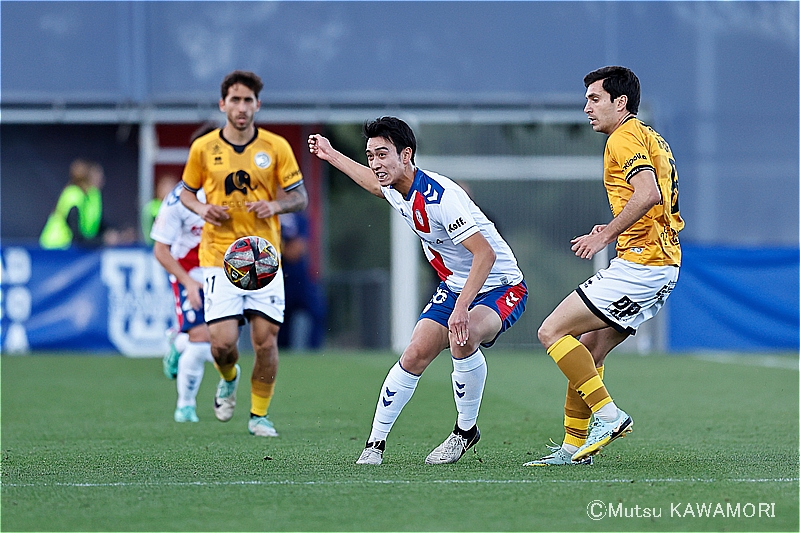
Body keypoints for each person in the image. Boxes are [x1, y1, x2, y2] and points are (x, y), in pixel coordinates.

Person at [308, 117, 527, 465]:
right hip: (456, 284)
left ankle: (464, 432)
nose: (375, 164)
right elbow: (374, 184)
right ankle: (374, 445)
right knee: (413, 355)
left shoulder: (442, 197)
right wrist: (332, 154)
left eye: (382, 154)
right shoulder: (395, 186)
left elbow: (484, 254)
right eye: (370, 155)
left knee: (463, 335)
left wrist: (461, 309)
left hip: (500, 285)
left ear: (406, 155)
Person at [526, 66, 683, 466]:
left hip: (642, 264)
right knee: (589, 349)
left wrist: (605, 234)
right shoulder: (650, 136)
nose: (587, 108)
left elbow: (646, 193)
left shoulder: (623, 137)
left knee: (551, 331)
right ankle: (573, 449)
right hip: (663, 265)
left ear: (620, 102)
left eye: (595, 99)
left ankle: (609, 416)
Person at [180, 70, 308, 437]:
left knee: (265, 340)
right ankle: (229, 377)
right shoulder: (203, 148)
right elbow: (187, 193)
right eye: (234, 100)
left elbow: (300, 197)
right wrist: (203, 209)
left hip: (265, 260)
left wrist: (275, 207)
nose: (241, 107)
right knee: (221, 344)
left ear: (257, 105)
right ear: (223, 104)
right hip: (219, 256)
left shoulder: (276, 147)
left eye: (247, 100)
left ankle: (259, 415)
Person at [151, 182, 214, 422]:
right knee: (201, 338)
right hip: (189, 272)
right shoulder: (178, 198)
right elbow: (161, 250)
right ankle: (185, 406)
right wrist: (187, 282)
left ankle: (178, 341)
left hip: (220, 271)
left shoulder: (235, 188)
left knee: (223, 345)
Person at [40, 159, 132, 248]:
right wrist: (103, 240)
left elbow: (98, 225)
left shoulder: (93, 195)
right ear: (87, 177)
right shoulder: (73, 195)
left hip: (72, 250)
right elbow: (77, 237)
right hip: (56, 248)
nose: (102, 178)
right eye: (98, 175)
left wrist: (118, 234)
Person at [277, 211, 326, 350]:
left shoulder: (298, 218)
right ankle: (282, 352)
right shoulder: (267, 217)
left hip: (300, 278)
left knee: (316, 311)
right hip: (279, 277)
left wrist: (280, 246)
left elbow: (297, 250)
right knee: (281, 319)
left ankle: (314, 351)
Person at [142, 173, 180, 246]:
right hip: (154, 246)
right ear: (159, 189)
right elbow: (149, 228)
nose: (168, 190)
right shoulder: (152, 206)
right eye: (165, 187)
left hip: (175, 247)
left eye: (171, 187)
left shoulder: (179, 206)